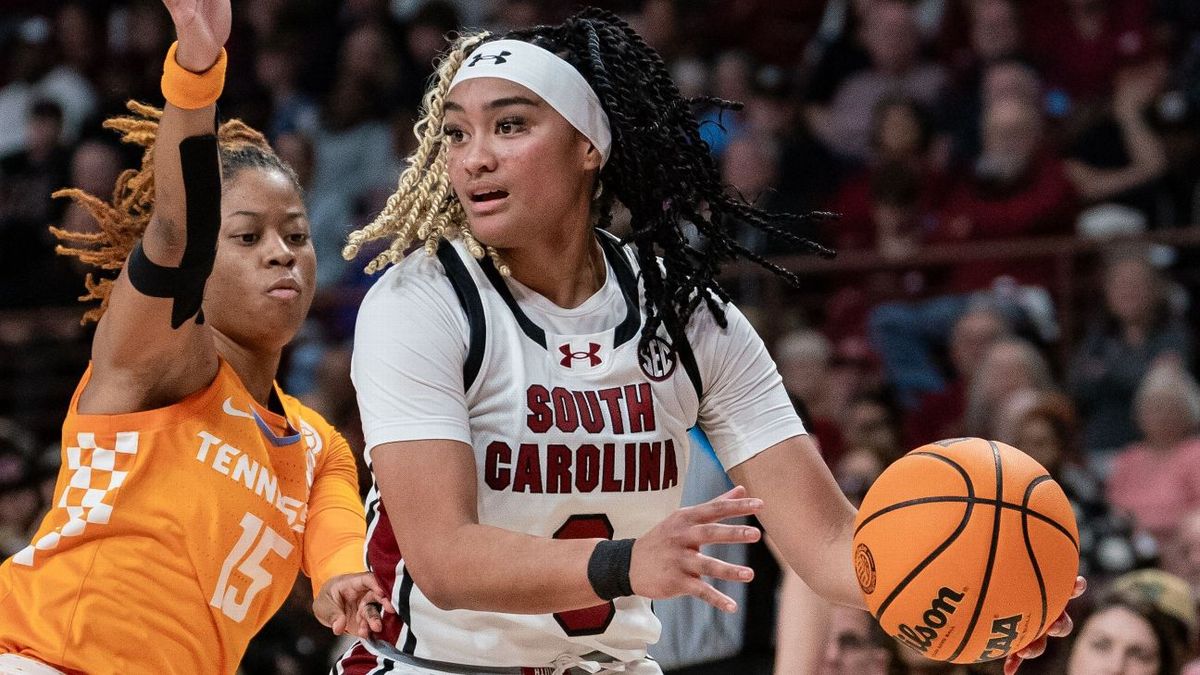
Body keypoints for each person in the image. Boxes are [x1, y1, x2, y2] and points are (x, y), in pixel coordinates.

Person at [338, 9, 1078, 675]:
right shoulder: (420, 303)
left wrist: (982, 584)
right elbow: (444, 559)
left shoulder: (687, 315)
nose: (473, 157)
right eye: (456, 132)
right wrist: (629, 563)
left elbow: (829, 544)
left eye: (509, 126)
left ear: (589, 145)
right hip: (433, 664)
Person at [0, 1, 390, 673]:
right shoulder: (160, 358)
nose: (282, 253)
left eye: (296, 235)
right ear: (206, 260)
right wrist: (196, 73)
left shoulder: (318, 447)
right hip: (43, 657)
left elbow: (337, 547)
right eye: (248, 235)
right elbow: (178, 235)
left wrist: (343, 583)